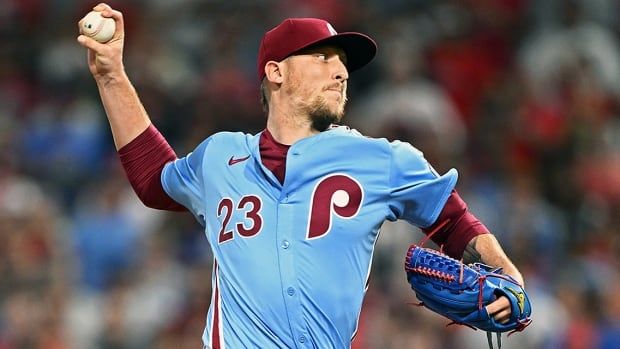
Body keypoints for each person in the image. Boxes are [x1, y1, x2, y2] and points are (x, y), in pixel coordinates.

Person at [77, 3, 526, 348]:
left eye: (343, 63)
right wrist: (112, 75)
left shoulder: (383, 160)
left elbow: (454, 222)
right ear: (275, 72)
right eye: (323, 57)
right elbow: (155, 181)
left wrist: (512, 281)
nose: (340, 70)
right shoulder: (220, 156)